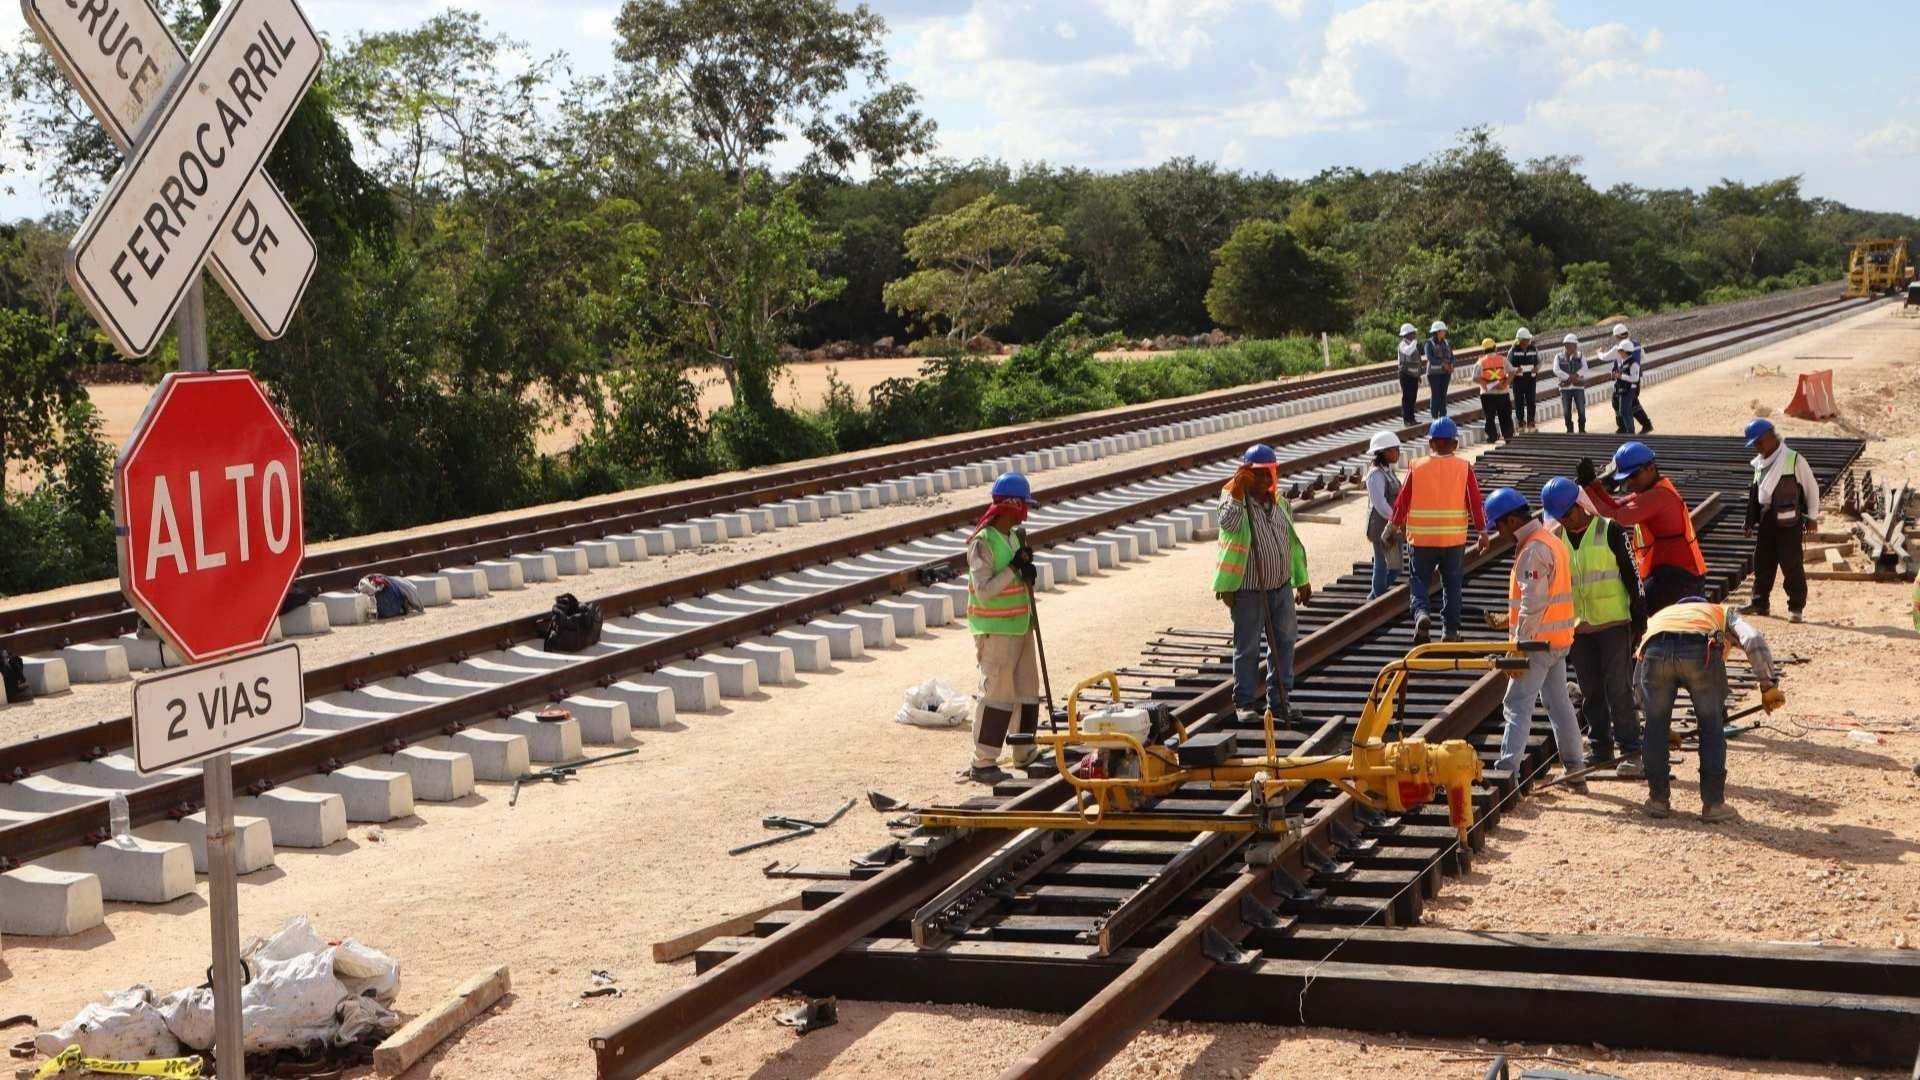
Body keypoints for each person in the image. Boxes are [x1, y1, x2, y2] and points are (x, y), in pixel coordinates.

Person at [1635, 598, 1785, 821]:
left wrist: (1657, 726)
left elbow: (1638, 677)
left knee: (1654, 729)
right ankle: (1713, 805)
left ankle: (1658, 802)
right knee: (1711, 726)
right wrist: (1768, 685)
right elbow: (1752, 638)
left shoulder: (1663, 615)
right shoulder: (1721, 613)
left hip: (1656, 652)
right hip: (1700, 652)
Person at [1481, 487, 1586, 788]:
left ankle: (1506, 773)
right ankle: (1576, 770)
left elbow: (1534, 602)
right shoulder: (1550, 540)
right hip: (1557, 640)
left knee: (1516, 703)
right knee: (1558, 703)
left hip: (1537, 644)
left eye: (1499, 526)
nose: (1499, 533)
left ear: (1512, 521)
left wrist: (1519, 646)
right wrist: (1508, 622)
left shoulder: (1533, 550)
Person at [1543, 477, 1645, 774]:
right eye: (1559, 515)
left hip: (1612, 623)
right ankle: (1600, 747)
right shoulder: (1557, 538)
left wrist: (1640, 618)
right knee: (1591, 691)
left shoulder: (1610, 530)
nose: (1564, 519)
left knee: (1619, 689)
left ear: (1580, 505)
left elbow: (1632, 575)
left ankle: (1631, 750)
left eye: (1568, 513)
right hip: (1577, 628)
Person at [1217, 444, 1312, 723]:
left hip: (1280, 588)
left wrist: (1302, 579)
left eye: (1267, 474)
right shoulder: (1233, 499)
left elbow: (1291, 544)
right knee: (1247, 647)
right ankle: (1245, 703)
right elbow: (1227, 523)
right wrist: (1237, 489)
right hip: (1248, 590)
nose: (1262, 480)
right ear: (1244, 473)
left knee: (1284, 643)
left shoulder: (1280, 503)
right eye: (1256, 474)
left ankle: (1280, 702)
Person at [964, 472, 1042, 782]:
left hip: (1021, 626)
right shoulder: (982, 543)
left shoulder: (1016, 536)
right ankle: (983, 761)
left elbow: (1016, 579)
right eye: (1024, 504)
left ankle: (1023, 750)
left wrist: (1027, 573)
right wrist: (1014, 568)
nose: (1027, 511)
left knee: (1026, 690)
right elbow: (984, 590)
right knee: (997, 694)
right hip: (995, 631)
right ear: (1011, 505)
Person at [1579, 441, 1707, 613]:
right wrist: (1593, 485)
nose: (1630, 482)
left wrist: (1587, 488)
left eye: (1634, 475)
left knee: (1635, 612)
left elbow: (1614, 517)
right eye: (1626, 478)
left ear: (1650, 468)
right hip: (1673, 575)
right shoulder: (1654, 489)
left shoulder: (1657, 496)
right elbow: (1616, 506)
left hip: (1678, 579)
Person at [1389, 417, 1485, 644]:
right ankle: (1450, 631)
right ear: (1455, 444)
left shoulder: (1417, 466)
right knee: (1452, 585)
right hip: (1453, 541)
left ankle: (1421, 614)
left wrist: (1393, 525)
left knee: (1419, 581)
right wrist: (1482, 531)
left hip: (1421, 540)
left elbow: (1402, 501)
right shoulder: (1464, 468)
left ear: (1431, 443)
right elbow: (1475, 502)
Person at [1741, 418, 1819, 623]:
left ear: (1770, 436)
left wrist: (1812, 517)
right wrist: (1749, 521)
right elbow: (1756, 494)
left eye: (1758, 442)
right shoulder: (1759, 463)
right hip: (1767, 521)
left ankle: (1796, 607)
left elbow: (1812, 488)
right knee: (1763, 564)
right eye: (1754, 444)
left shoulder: (1794, 460)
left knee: (1791, 565)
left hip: (1789, 523)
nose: (1756, 448)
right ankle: (1760, 602)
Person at [1364, 431, 1404, 598]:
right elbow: (1380, 504)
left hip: (1392, 524)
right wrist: (1396, 520)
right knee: (1381, 564)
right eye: (1395, 449)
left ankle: (1376, 597)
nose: (1398, 453)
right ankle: (1375, 599)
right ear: (1385, 452)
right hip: (1381, 525)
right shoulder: (1375, 475)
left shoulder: (1387, 471)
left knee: (1396, 567)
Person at [1604, 324, 1653, 435]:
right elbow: (1643, 358)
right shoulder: (1636, 344)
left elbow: (1605, 357)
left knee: (1628, 403)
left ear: (1617, 336)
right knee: (1623, 402)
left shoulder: (1620, 347)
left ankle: (1630, 427)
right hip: (1633, 379)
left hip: (1627, 380)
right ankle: (1630, 426)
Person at [1475, 337, 1514, 443]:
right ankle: (1508, 437)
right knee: (1505, 416)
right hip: (1502, 393)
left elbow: (1475, 377)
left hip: (1487, 394)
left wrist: (1486, 385)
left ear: (1483, 350)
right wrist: (1505, 383)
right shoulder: (1502, 359)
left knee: (1489, 417)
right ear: (1494, 347)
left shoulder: (1480, 362)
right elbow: (1512, 372)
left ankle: (1492, 437)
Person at [1553, 333, 1588, 433]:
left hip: (1578, 387)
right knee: (1566, 412)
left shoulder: (1580, 355)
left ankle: (1582, 429)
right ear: (1567, 345)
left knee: (1581, 410)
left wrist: (1576, 375)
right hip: (1565, 388)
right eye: (1574, 345)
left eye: (1575, 345)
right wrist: (1568, 377)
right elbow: (1556, 370)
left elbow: (1585, 367)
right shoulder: (1558, 357)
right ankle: (1570, 429)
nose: (1576, 347)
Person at [1509, 328, 1541, 432]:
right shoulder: (1513, 350)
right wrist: (1515, 370)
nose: (1528, 341)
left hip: (1530, 380)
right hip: (1518, 381)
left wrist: (1537, 368)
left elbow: (1539, 362)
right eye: (1526, 339)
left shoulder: (1533, 349)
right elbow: (1507, 366)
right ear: (1521, 340)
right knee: (1519, 402)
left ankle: (1531, 422)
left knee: (1531, 400)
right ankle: (1521, 422)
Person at [1423, 320, 1455, 420]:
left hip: (1445, 373)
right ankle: (1434, 415)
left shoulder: (1447, 342)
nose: (1445, 332)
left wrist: (1452, 364)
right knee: (1436, 394)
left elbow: (1452, 356)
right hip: (1434, 374)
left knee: (1443, 394)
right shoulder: (1429, 343)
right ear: (1437, 332)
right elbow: (1430, 358)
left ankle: (1443, 415)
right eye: (1443, 331)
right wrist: (1443, 364)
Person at [1396, 323, 1424, 426]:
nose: (1414, 335)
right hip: (1405, 375)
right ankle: (1407, 420)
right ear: (1407, 334)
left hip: (1413, 375)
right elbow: (1408, 352)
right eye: (1413, 333)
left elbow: (1417, 360)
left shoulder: (1413, 345)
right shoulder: (1403, 344)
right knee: (1407, 397)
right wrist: (1414, 343)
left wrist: (1418, 374)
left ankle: (1412, 419)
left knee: (1413, 397)